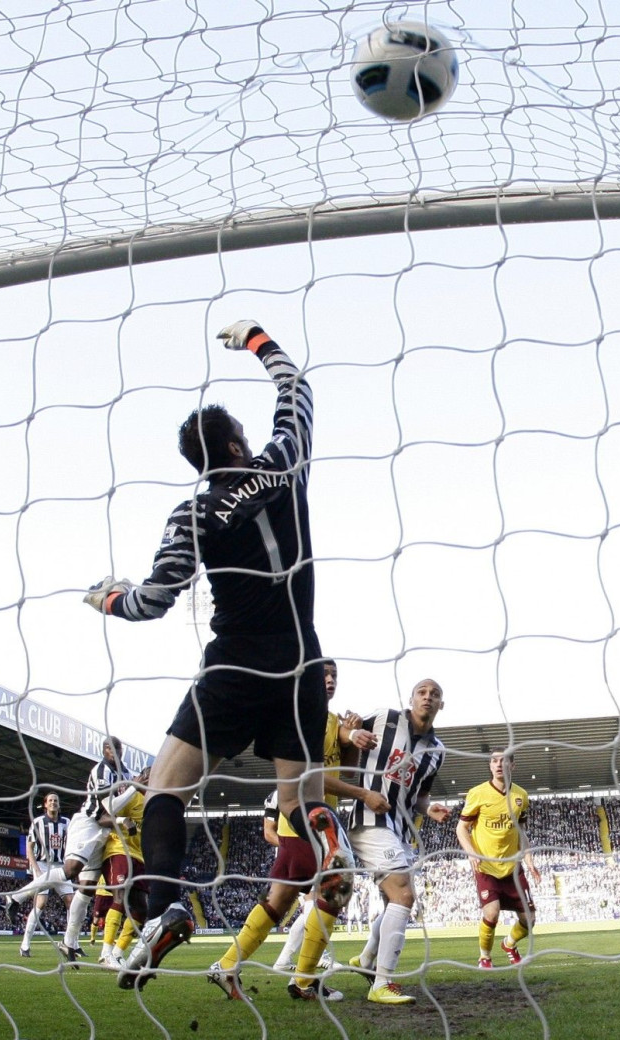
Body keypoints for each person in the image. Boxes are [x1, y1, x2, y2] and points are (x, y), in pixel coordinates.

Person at [84, 321, 354, 990]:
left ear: (199, 463)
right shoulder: (283, 463)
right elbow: (298, 390)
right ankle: (329, 844)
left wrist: (107, 598)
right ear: (238, 442)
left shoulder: (194, 513)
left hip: (235, 664)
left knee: (167, 786)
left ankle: (166, 903)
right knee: (300, 796)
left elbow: (154, 601)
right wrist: (257, 340)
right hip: (301, 659)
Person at [208, 658, 382, 1002]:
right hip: (305, 820)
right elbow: (313, 777)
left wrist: (350, 742)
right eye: (324, 675)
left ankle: (226, 967)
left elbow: (346, 772)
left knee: (278, 901)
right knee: (337, 886)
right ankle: (303, 981)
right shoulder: (303, 717)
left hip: (311, 821)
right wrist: (364, 794)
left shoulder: (329, 721)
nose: (330, 680)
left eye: (335, 675)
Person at [347, 679, 449, 1005]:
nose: (428, 698)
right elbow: (342, 732)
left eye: (434, 695)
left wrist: (429, 808)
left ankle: (365, 959)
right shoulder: (384, 718)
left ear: (440, 705)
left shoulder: (437, 752)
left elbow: (420, 796)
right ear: (412, 698)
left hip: (400, 828)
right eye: (422, 692)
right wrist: (350, 734)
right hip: (369, 818)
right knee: (403, 894)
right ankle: (381, 983)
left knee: (400, 899)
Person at [5, 736, 130, 962]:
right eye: (111, 749)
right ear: (104, 751)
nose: (116, 752)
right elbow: (103, 813)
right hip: (90, 824)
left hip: (104, 835)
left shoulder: (127, 775)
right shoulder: (101, 771)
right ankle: (15, 898)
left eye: (119, 748)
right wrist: (123, 822)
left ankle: (69, 941)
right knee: (70, 871)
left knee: (86, 890)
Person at [455, 748, 541, 968]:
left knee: (529, 920)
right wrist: (471, 852)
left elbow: (521, 832)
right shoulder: (477, 793)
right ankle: (484, 956)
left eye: (503, 761)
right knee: (491, 914)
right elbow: (461, 829)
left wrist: (529, 860)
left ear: (512, 766)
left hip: (513, 868)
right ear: (490, 766)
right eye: (494, 761)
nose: (498, 764)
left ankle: (509, 944)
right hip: (487, 866)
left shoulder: (521, 796)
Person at [98, 767, 151, 968]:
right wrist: (122, 820)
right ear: (144, 777)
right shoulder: (130, 795)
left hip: (140, 857)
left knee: (141, 908)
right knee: (119, 896)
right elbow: (103, 817)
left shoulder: (154, 803)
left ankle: (118, 953)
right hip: (119, 849)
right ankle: (105, 953)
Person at [17, 792, 74, 957]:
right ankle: (25, 945)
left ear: (59, 804)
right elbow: (29, 847)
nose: (53, 803)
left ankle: (70, 943)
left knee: (71, 901)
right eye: (50, 800)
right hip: (43, 865)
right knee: (41, 902)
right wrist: (35, 869)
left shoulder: (67, 823)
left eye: (56, 800)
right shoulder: (38, 822)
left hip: (62, 866)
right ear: (45, 804)